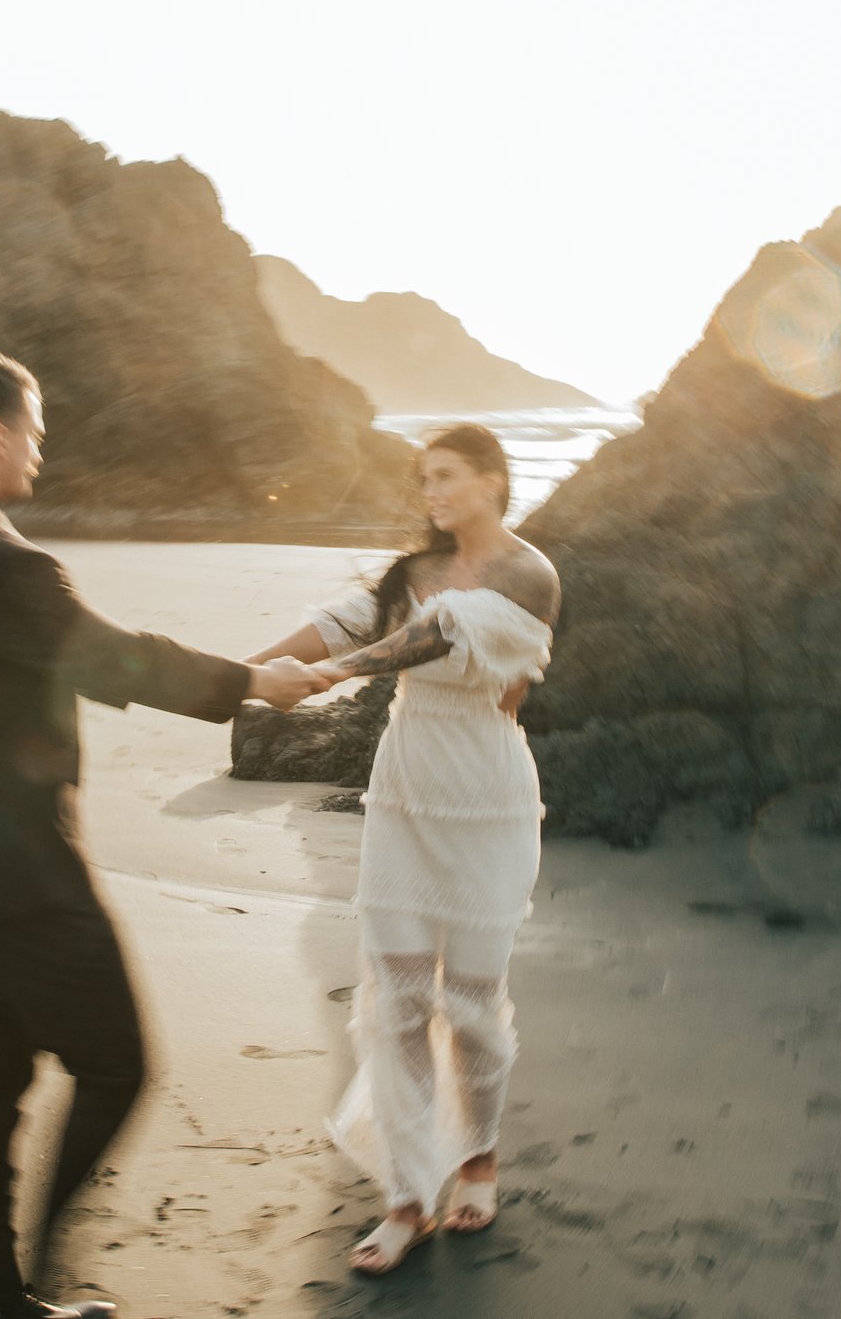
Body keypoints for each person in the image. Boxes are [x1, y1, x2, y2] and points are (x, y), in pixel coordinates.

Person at [0, 346, 325, 1319]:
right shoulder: (12, 565)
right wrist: (252, 682)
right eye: (31, 429)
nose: (39, 446)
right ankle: (31, 1283)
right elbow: (116, 660)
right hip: (21, 868)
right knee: (115, 1064)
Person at [243, 423, 560, 1276]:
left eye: (448, 476)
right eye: (424, 480)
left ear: (493, 479)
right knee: (399, 1004)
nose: (433, 493)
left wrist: (344, 673)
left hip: (488, 805)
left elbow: (446, 634)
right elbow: (338, 622)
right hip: (405, 801)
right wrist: (244, 672)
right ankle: (409, 1194)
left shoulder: (530, 572)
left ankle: (481, 1153)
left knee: (470, 1003)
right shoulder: (408, 576)